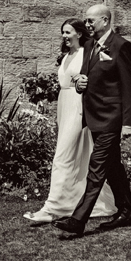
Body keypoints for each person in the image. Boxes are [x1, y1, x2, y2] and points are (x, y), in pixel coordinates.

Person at [52, 4, 131, 236]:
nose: (87, 25)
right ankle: (128, 210)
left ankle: (78, 220)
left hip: (111, 118)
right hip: (93, 116)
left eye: (91, 21)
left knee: (97, 168)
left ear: (105, 20)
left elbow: (129, 87)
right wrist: (81, 82)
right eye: (86, 21)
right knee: (113, 167)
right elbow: (87, 76)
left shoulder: (121, 46)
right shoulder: (89, 45)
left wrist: (128, 122)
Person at [23, 18, 118, 222]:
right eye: (63, 33)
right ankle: (81, 201)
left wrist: (84, 81)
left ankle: (51, 208)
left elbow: (99, 78)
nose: (64, 36)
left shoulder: (87, 53)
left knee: (62, 157)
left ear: (79, 33)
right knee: (79, 158)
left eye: (68, 32)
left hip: (79, 108)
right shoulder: (67, 56)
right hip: (64, 108)